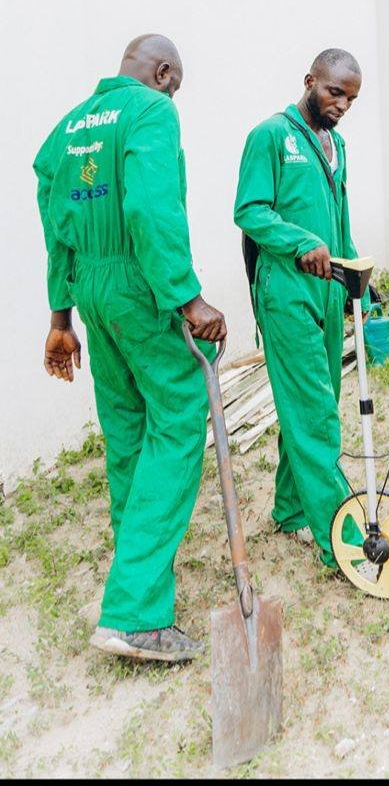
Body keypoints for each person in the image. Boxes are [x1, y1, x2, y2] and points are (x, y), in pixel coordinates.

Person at [33, 35, 226, 663]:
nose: (175, 97)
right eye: (177, 86)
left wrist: (62, 314)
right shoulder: (150, 110)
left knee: (126, 428)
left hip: (91, 289)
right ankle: (136, 612)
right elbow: (150, 206)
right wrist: (187, 298)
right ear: (163, 72)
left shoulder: (67, 130)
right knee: (177, 420)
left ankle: (134, 566)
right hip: (138, 286)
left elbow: (55, 222)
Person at [234, 49, 369, 570]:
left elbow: (340, 217)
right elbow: (249, 210)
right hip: (287, 292)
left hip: (330, 288)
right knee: (315, 415)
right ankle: (342, 540)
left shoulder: (336, 144)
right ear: (310, 81)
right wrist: (298, 241)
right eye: (335, 92)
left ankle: (290, 508)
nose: (341, 105)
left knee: (318, 399)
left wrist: (356, 272)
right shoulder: (270, 136)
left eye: (351, 99)